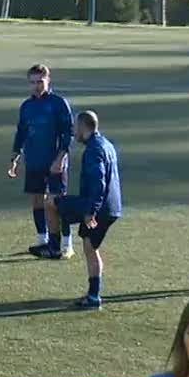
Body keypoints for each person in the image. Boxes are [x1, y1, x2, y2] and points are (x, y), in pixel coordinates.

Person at [40, 111, 122, 311]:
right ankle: (93, 296)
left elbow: (99, 182)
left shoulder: (94, 150)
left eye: (75, 127)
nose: (73, 131)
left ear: (84, 127)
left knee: (50, 201)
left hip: (97, 207)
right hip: (111, 208)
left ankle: (54, 247)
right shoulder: (106, 144)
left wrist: (90, 211)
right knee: (89, 246)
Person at [8, 63, 75, 259]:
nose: (36, 86)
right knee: (37, 200)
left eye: (40, 81)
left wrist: (61, 156)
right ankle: (42, 240)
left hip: (55, 162)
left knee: (57, 204)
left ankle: (66, 244)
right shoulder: (27, 106)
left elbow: (68, 132)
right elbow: (21, 132)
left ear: (48, 80)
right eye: (33, 82)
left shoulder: (58, 103)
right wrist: (15, 156)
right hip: (34, 160)